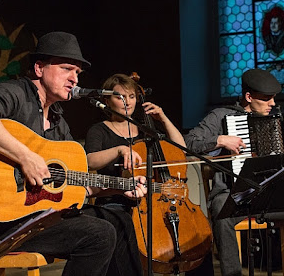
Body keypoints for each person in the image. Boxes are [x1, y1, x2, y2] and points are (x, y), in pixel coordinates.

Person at [0, 31, 147, 276]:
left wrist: (119, 187)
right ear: (39, 68)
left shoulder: (59, 121)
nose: (74, 79)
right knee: (99, 234)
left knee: (117, 219)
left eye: (77, 73)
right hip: (3, 222)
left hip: (39, 218)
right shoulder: (15, 93)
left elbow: (75, 184)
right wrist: (25, 157)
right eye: (66, 69)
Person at [184, 68, 282, 276]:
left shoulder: (275, 119)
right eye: (266, 99)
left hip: (270, 194)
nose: (272, 104)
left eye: (273, 99)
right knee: (220, 210)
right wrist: (219, 140)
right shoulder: (221, 116)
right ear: (249, 97)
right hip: (233, 195)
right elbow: (188, 143)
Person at [84, 73, 186, 209]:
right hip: (114, 202)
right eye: (120, 97)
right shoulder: (99, 130)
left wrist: (163, 118)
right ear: (107, 101)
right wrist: (119, 149)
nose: (128, 102)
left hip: (153, 202)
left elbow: (181, 149)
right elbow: (89, 161)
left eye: (131, 97)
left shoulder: (145, 128)